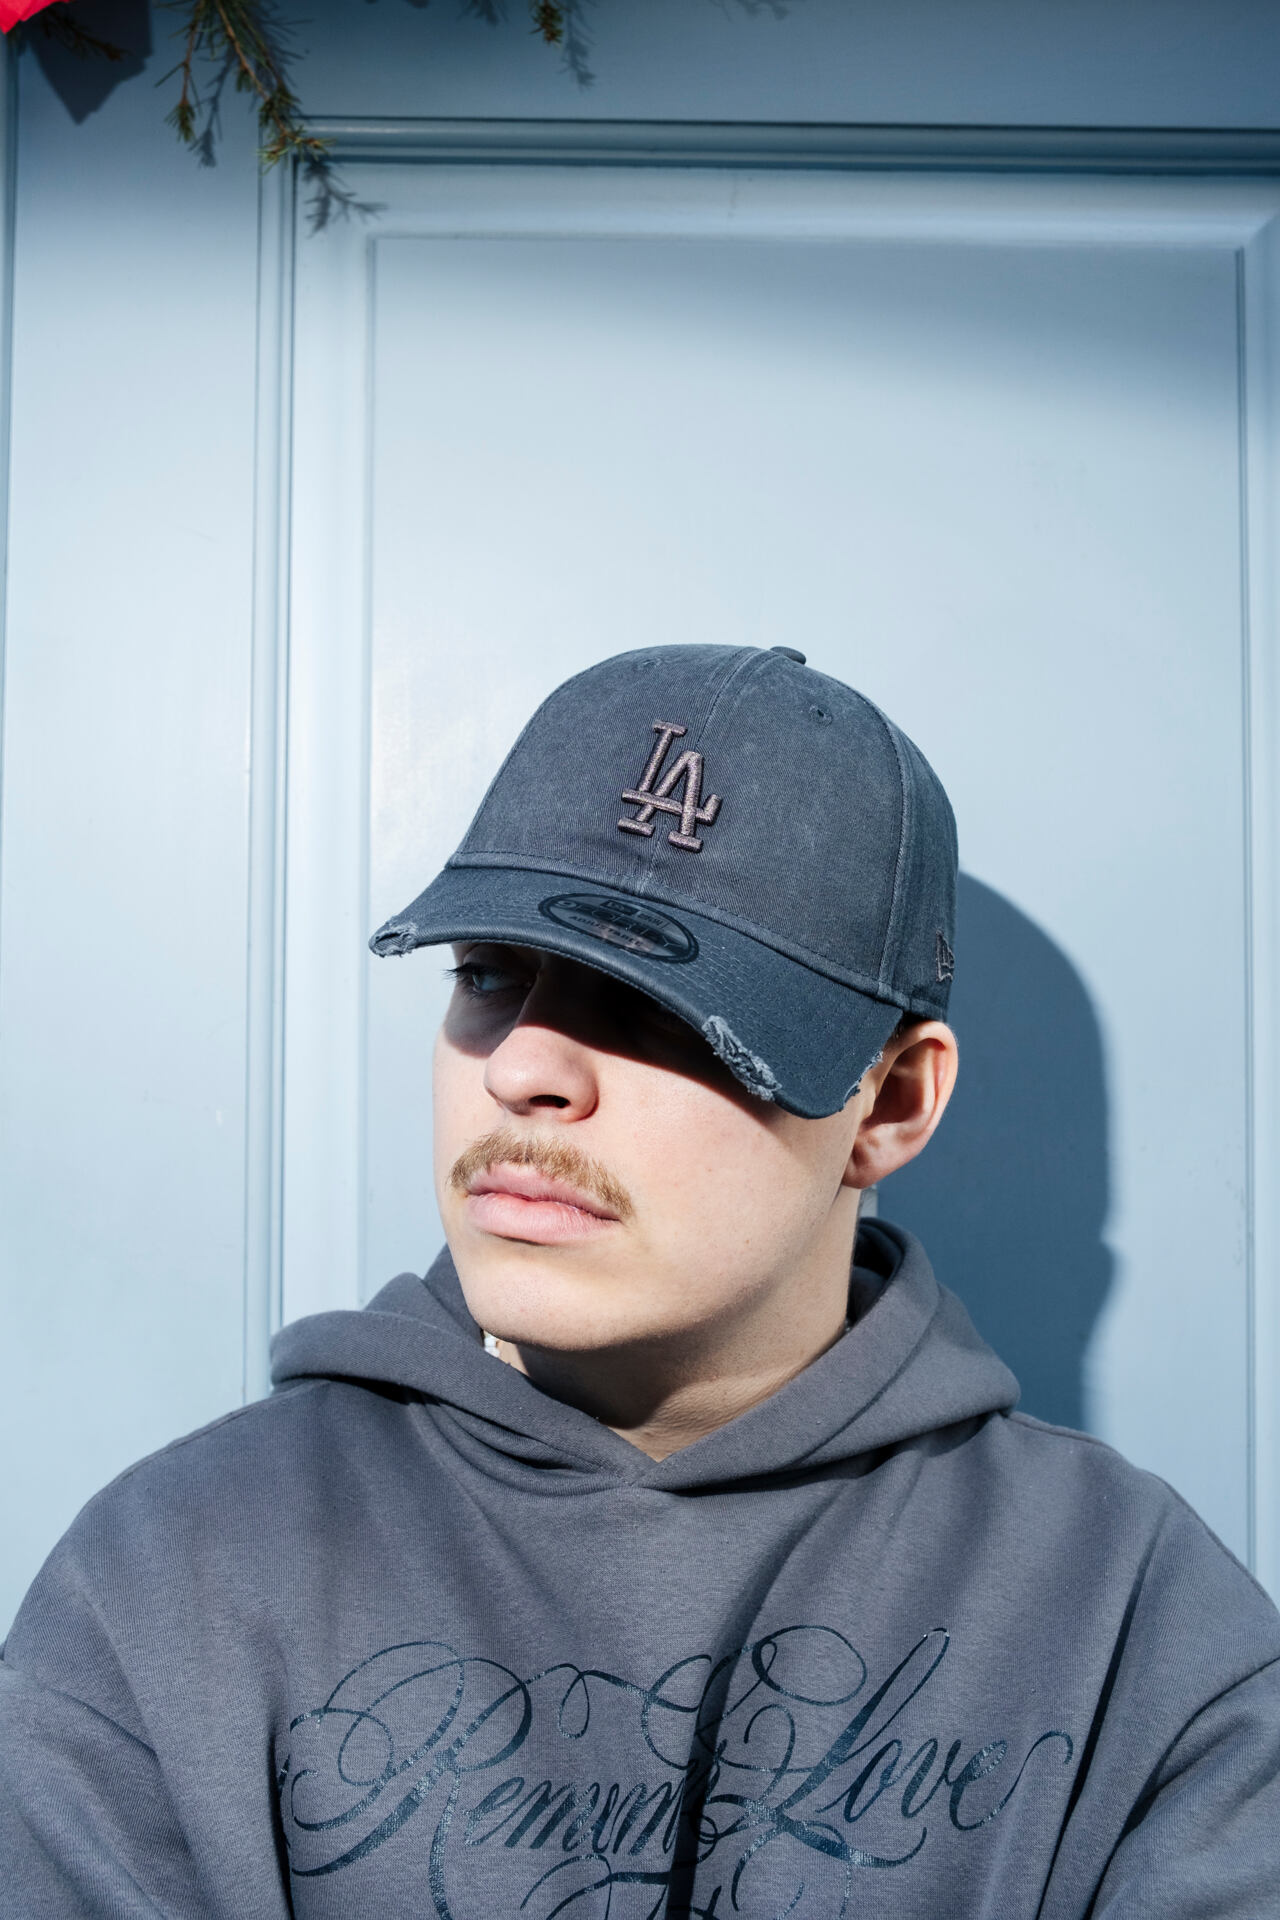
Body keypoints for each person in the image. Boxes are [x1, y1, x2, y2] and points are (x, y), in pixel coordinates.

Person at [2, 643, 1278, 1918]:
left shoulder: (1136, 1625)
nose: (520, 1069)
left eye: (662, 1003)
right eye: (487, 974)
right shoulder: (169, 1584)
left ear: (888, 1103)